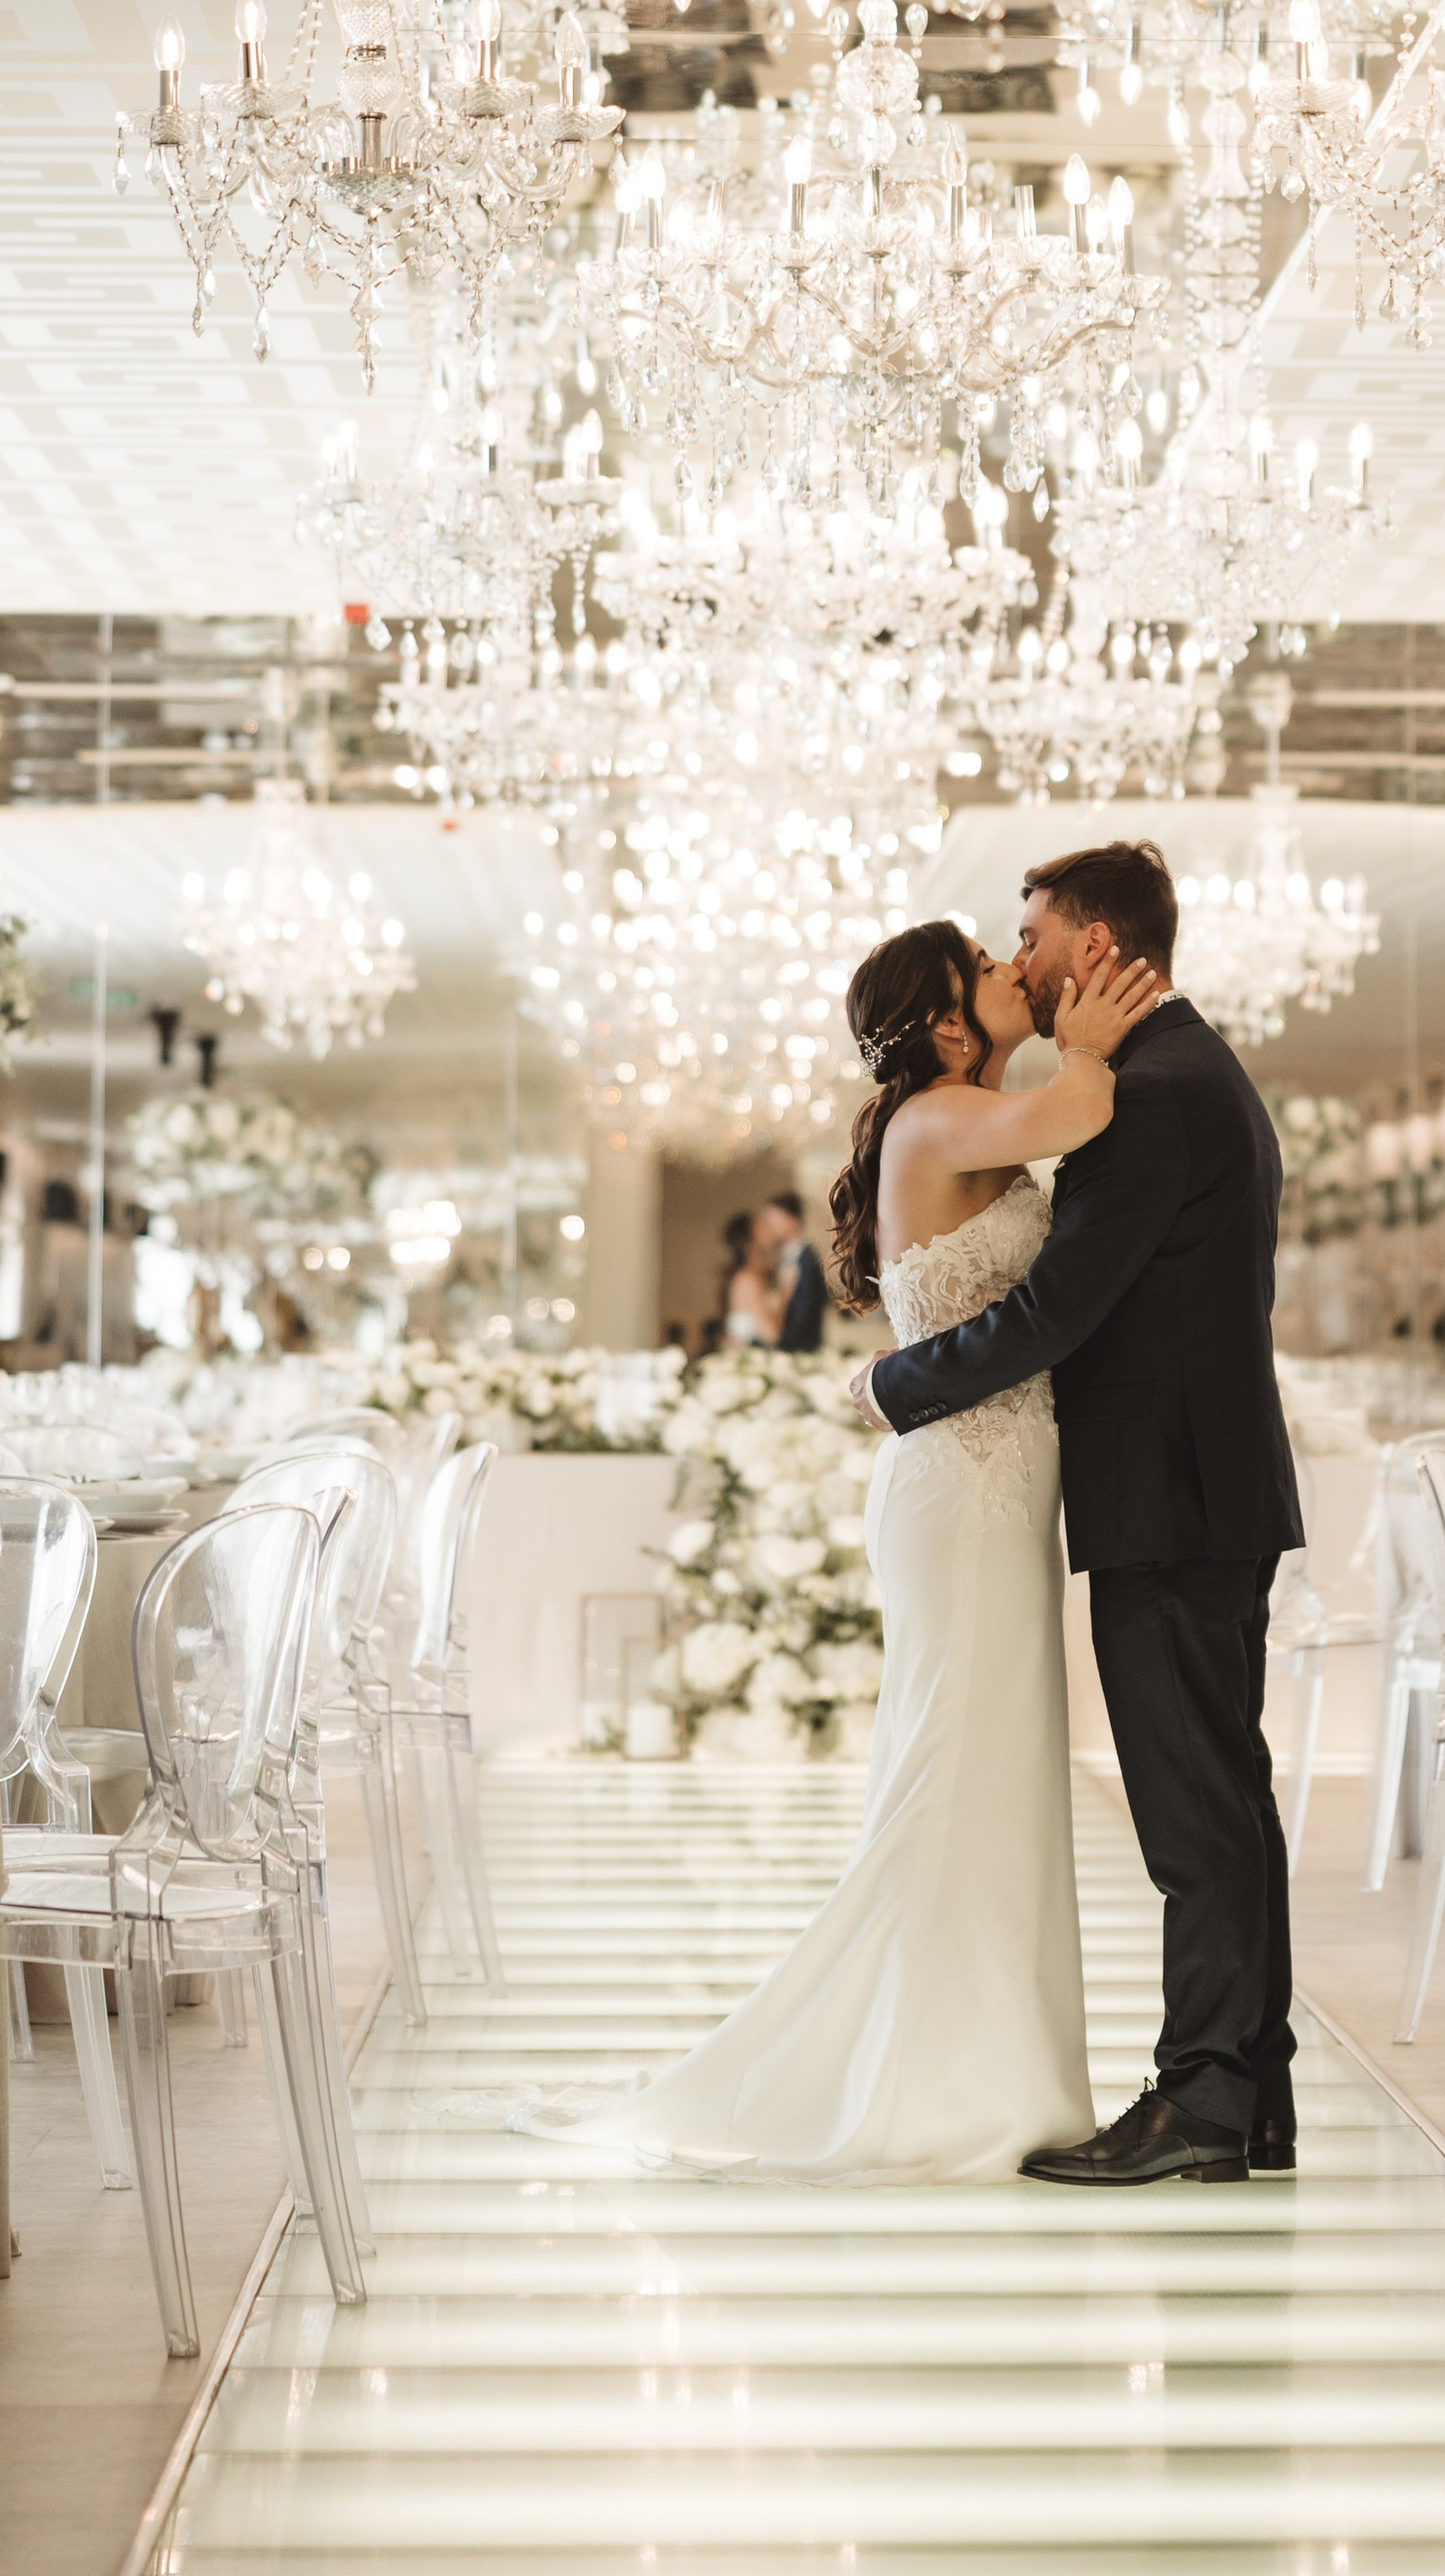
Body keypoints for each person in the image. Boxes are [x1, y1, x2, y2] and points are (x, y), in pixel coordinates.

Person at [532, 918, 1163, 2182]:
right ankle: (927, 2082)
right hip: (964, 1492)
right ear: (939, 1023)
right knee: (955, 1771)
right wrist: (1087, 1037)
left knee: (995, 1773)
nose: (1008, 974)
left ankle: (986, 2068)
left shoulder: (950, 1114)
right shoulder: (936, 1118)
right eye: (986, 968)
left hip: (987, 1484)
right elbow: (1083, 1108)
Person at [854, 840, 1301, 2187]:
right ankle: (1241, 2092)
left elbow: (1058, 1312)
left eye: (1033, 932)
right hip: (1186, 1490)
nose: (1024, 956)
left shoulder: (1149, 1093)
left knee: (1194, 1813)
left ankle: (1208, 2101)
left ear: (1096, 943)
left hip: (1168, 1499)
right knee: (1220, 1799)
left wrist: (893, 1384)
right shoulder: (1175, 1071)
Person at [759, 1190, 828, 1352]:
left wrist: (784, 1344)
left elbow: (806, 1311)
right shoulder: (779, 1258)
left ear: (792, 1220)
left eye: (774, 1220)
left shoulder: (809, 1259)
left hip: (801, 1348)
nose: (769, 1227)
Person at [718, 1210, 778, 1348]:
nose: (767, 1228)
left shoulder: (760, 1275)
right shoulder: (747, 1280)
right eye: (760, 1226)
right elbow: (771, 1335)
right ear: (748, 1240)